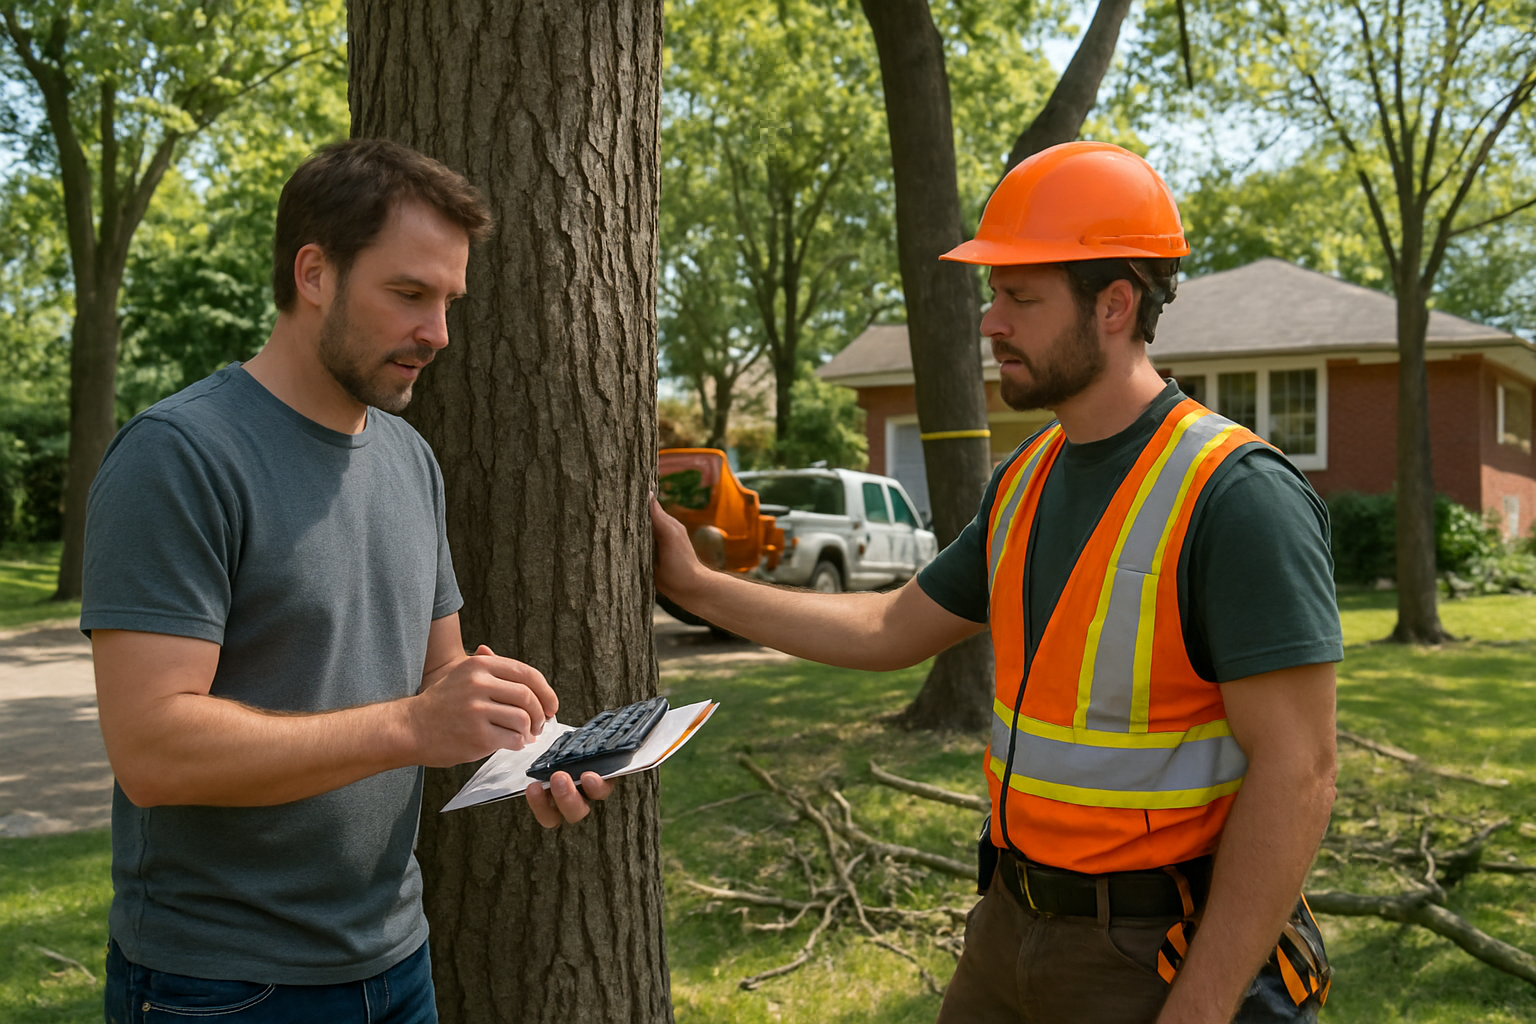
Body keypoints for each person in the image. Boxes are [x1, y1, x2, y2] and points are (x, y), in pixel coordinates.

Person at [651, 141, 1341, 1023]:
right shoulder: (1027, 477)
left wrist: (1200, 1010)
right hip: (1007, 928)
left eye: (1020, 297)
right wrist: (698, 585)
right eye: (994, 294)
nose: (990, 321)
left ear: (1115, 305)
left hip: (1151, 959)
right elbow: (890, 630)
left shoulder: (1237, 495)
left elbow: (1301, 771)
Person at [84, 138, 609, 1024]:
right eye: (409, 294)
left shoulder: (410, 458)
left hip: (398, 961)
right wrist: (412, 725)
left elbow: (435, 675)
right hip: (220, 985)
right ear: (314, 272)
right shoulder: (179, 456)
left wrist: (527, 746)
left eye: (448, 301)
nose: (438, 333)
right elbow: (151, 749)